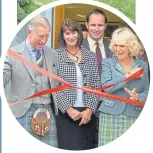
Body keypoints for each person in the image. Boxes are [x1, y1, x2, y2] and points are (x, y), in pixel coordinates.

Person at [3, 15, 58, 147]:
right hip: (22, 111)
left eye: (47, 35)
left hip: (48, 112)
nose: (44, 40)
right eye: (40, 36)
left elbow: (58, 82)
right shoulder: (12, 53)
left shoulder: (52, 54)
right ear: (29, 32)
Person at [98, 27, 149, 146]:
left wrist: (138, 97)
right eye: (115, 45)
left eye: (122, 46)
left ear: (130, 47)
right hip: (110, 115)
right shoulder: (107, 62)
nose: (118, 49)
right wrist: (127, 77)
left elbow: (147, 92)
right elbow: (106, 87)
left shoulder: (143, 66)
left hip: (133, 115)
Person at [55, 18, 101, 150]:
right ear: (63, 36)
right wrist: (68, 109)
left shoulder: (90, 56)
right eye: (67, 33)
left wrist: (89, 110)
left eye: (74, 32)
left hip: (87, 116)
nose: (71, 36)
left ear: (79, 33)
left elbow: (96, 86)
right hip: (65, 114)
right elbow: (54, 87)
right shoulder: (55, 55)